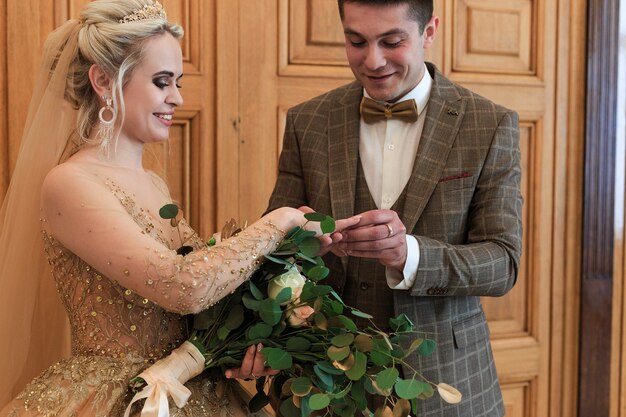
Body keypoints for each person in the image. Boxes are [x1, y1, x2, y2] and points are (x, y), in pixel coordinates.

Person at [0, 1, 348, 416]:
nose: (177, 98)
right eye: (162, 82)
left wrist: (278, 275)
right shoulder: (69, 184)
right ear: (104, 80)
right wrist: (280, 220)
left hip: (193, 387)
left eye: (177, 82)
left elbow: (207, 293)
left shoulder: (153, 184)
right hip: (119, 397)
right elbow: (183, 287)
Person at [267, 0, 523, 416]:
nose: (373, 60)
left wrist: (412, 255)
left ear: (429, 31)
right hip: (324, 381)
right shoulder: (307, 121)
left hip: (447, 382)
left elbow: (503, 262)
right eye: (356, 41)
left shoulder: (489, 124)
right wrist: (305, 245)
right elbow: (274, 250)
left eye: (391, 41)